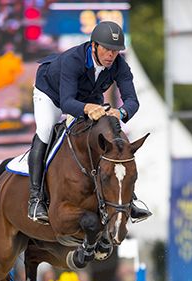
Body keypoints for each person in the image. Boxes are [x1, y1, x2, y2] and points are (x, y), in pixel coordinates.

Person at [27, 20, 151, 225]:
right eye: (107, 49)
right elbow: (66, 103)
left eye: (116, 51)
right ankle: (35, 199)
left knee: (111, 135)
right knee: (46, 130)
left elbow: (132, 101)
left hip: (86, 97)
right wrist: (87, 108)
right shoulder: (73, 60)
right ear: (94, 46)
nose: (111, 55)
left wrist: (119, 112)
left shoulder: (119, 65)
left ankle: (130, 199)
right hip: (51, 94)